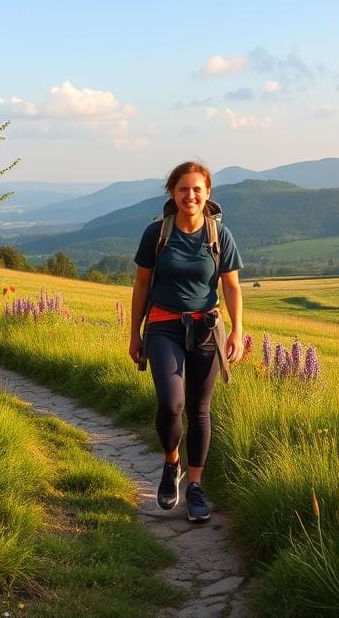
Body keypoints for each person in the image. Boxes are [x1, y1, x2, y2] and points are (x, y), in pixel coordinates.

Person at [129, 161, 244, 522]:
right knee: (171, 405)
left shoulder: (219, 235)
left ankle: (195, 486)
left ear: (208, 193)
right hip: (164, 327)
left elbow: (231, 286)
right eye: (183, 189)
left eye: (197, 189)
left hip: (207, 329)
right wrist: (134, 332)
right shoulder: (156, 233)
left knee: (199, 410)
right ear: (172, 193)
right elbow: (142, 284)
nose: (190, 195)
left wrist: (238, 331)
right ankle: (171, 462)